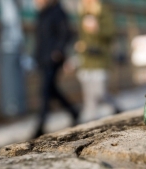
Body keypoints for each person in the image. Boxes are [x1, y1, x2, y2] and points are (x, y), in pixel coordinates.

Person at [33, 0, 79, 138]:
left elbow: (66, 33)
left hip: (52, 60)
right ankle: (73, 111)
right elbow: (40, 39)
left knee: (45, 91)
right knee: (52, 90)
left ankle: (40, 126)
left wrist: (57, 51)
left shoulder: (58, 12)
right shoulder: (41, 14)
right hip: (42, 60)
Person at [75, 0, 119, 122]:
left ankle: (115, 106)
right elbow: (82, 36)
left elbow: (110, 33)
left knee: (100, 92)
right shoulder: (82, 13)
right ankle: (90, 120)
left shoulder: (103, 11)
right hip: (86, 59)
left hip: (100, 57)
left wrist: (97, 29)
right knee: (88, 95)